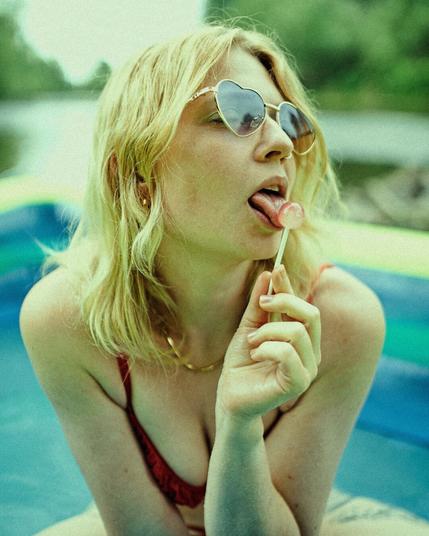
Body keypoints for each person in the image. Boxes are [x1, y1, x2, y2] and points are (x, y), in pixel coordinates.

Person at [19, 22, 429, 536]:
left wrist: (240, 426)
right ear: (137, 176)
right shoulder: (66, 321)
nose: (281, 144)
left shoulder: (341, 320)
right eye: (236, 113)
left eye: (290, 121)